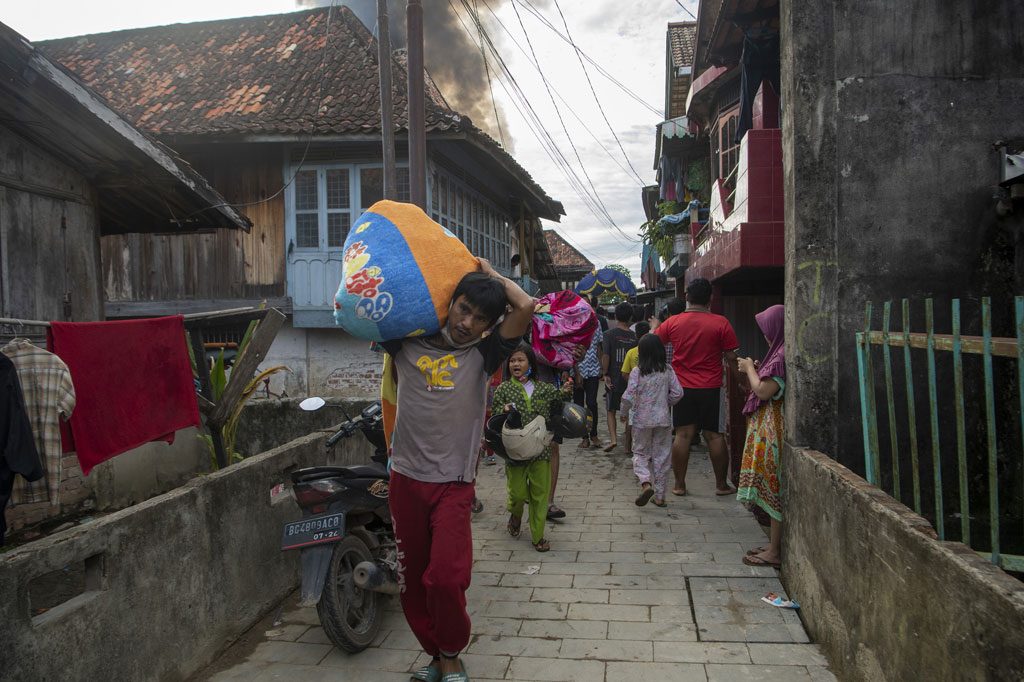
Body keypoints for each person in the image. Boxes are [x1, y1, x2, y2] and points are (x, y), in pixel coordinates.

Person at [381, 259, 532, 682]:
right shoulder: (406, 342)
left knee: (447, 577)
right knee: (413, 582)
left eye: (480, 318)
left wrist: (489, 273)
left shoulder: (484, 353)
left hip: (453, 483)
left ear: (489, 325)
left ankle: (451, 652)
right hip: (405, 478)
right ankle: (436, 656)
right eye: (463, 308)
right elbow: (374, 304)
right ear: (451, 303)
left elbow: (525, 306)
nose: (467, 323)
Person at [652, 278, 739, 496]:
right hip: (711, 387)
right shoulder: (721, 323)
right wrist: (742, 383)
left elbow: (653, 344)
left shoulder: (673, 323)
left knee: (682, 435)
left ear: (687, 298)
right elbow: (731, 358)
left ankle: (679, 485)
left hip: (682, 388)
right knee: (715, 436)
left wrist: (655, 327)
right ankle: (721, 485)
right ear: (710, 298)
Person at [493, 343, 570, 552]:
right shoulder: (503, 389)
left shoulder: (545, 389)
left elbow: (558, 405)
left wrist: (565, 392)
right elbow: (494, 417)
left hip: (540, 451)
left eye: (520, 360)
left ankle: (538, 537)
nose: (515, 364)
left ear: (530, 364)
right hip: (515, 454)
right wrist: (503, 409)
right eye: (512, 361)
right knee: (517, 495)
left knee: (539, 495)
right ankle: (516, 514)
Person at [736, 305, 786, 568]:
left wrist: (749, 370)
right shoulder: (777, 353)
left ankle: (775, 551)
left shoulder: (781, 356)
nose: (766, 335)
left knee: (774, 487)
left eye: (767, 330)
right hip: (768, 431)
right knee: (769, 487)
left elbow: (764, 391)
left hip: (774, 434)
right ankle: (773, 545)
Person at [620, 334, 683, 507]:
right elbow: (678, 393)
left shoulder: (637, 372)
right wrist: (665, 403)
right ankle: (660, 496)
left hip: (641, 420)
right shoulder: (668, 370)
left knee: (640, 453)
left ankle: (646, 483)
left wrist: (624, 413)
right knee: (662, 456)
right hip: (663, 420)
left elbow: (628, 396)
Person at [600, 302, 637, 452]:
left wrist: (605, 374)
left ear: (615, 316)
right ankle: (628, 446)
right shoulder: (634, 337)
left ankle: (614, 439)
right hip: (630, 379)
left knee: (611, 410)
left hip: (613, 377)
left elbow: (606, 356)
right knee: (629, 412)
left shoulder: (609, 334)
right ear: (630, 318)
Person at [619, 321, 650, 456]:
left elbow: (624, 373)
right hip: (651, 396)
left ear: (636, 337)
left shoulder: (631, 353)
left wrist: (634, 383)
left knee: (630, 421)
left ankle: (627, 446)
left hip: (635, 394)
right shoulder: (654, 354)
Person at [572, 318, 604, 449]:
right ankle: (584, 437)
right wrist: (577, 373)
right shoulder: (572, 324)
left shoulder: (596, 322)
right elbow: (571, 351)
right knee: (579, 406)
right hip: (578, 371)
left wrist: (601, 367)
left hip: (593, 370)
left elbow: (598, 346)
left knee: (591, 403)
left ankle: (594, 435)